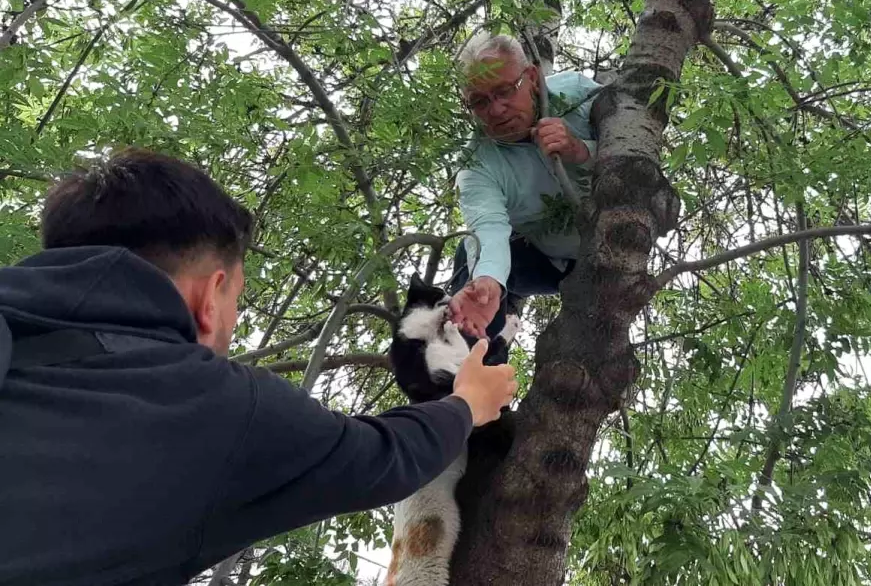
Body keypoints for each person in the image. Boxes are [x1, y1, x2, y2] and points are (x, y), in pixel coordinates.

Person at [0, 148, 516, 586]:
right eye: (236, 299)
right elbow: (382, 457)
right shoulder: (212, 405)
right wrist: (468, 403)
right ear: (210, 294)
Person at [448, 32, 603, 339]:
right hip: (548, 261)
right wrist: (489, 279)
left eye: (504, 91)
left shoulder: (576, 93)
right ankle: (473, 367)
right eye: (479, 102)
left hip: (615, 238)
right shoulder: (476, 164)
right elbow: (488, 228)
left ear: (532, 77)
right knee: (471, 261)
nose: (496, 110)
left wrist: (581, 151)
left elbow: (637, 149)